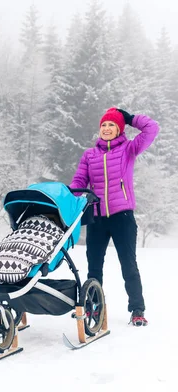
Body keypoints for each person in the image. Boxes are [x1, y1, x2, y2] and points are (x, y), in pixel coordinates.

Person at [69, 107, 159, 326]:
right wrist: (71, 195)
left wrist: (129, 118)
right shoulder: (89, 155)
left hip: (123, 217)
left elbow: (152, 128)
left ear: (119, 129)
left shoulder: (129, 149)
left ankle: (137, 309)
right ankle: (93, 308)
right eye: (104, 125)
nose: (107, 129)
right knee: (94, 266)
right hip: (97, 218)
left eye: (112, 125)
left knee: (128, 264)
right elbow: (79, 181)